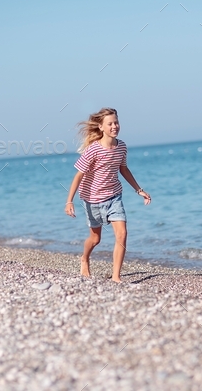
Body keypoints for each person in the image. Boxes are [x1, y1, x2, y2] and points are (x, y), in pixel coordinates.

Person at [65, 108, 151, 282]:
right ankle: (84, 259)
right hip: (93, 200)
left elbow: (124, 169)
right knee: (95, 239)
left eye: (116, 122)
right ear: (101, 127)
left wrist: (139, 189)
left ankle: (116, 277)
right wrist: (69, 201)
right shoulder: (93, 150)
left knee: (122, 234)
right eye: (110, 123)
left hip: (114, 197)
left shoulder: (122, 147)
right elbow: (79, 175)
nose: (114, 126)